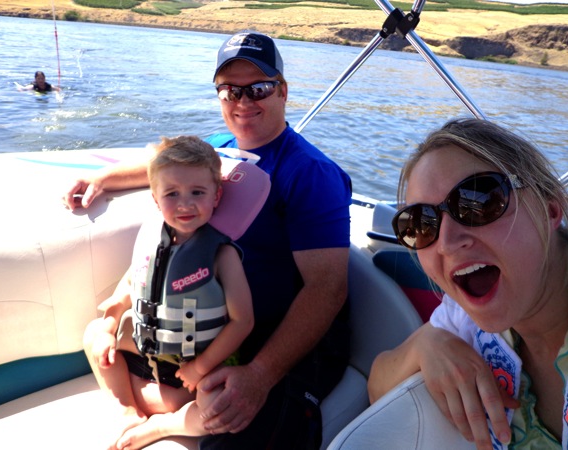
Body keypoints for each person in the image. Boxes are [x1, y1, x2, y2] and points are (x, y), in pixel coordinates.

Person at [65, 31, 352, 449]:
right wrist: (103, 179)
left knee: (233, 424)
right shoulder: (214, 150)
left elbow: (327, 289)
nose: (243, 101)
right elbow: (159, 164)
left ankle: (168, 422)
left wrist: (260, 375)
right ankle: (154, 410)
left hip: (274, 335)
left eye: (258, 88)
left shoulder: (311, 174)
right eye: (230, 90)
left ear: (283, 91)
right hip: (201, 324)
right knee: (102, 342)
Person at [367, 118, 568, 450]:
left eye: (480, 202)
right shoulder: (461, 316)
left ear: (550, 209)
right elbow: (377, 385)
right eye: (422, 223)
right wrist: (427, 345)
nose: (446, 243)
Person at [86, 135, 254, 449]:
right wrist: (109, 326)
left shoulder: (222, 255)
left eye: (197, 192)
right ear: (155, 198)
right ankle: (128, 411)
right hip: (150, 350)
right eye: (172, 193)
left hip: (200, 362)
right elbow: (131, 284)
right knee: (93, 334)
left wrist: (200, 367)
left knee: (220, 407)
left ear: (216, 196)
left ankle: (163, 425)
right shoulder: (151, 239)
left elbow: (243, 321)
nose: (185, 204)